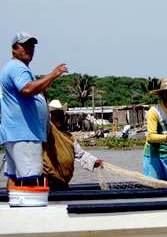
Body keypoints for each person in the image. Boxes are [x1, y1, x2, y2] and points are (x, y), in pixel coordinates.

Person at [0, 33, 68, 187]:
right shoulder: (18, 67)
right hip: (25, 134)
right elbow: (27, 89)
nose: (29, 49)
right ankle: (29, 208)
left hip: (15, 132)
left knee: (15, 175)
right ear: (14, 49)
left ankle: (12, 209)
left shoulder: (14, 67)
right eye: (25, 46)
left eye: (32, 46)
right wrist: (54, 74)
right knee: (30, 176)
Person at [43, 100, 103, 190]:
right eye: (55, 114)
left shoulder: (69, 137)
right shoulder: (48, 131)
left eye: (60, 115)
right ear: (50, 116)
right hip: (50, 179)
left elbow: (80, 154)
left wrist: (94, 161)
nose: (59, 117)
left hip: (63, 180)